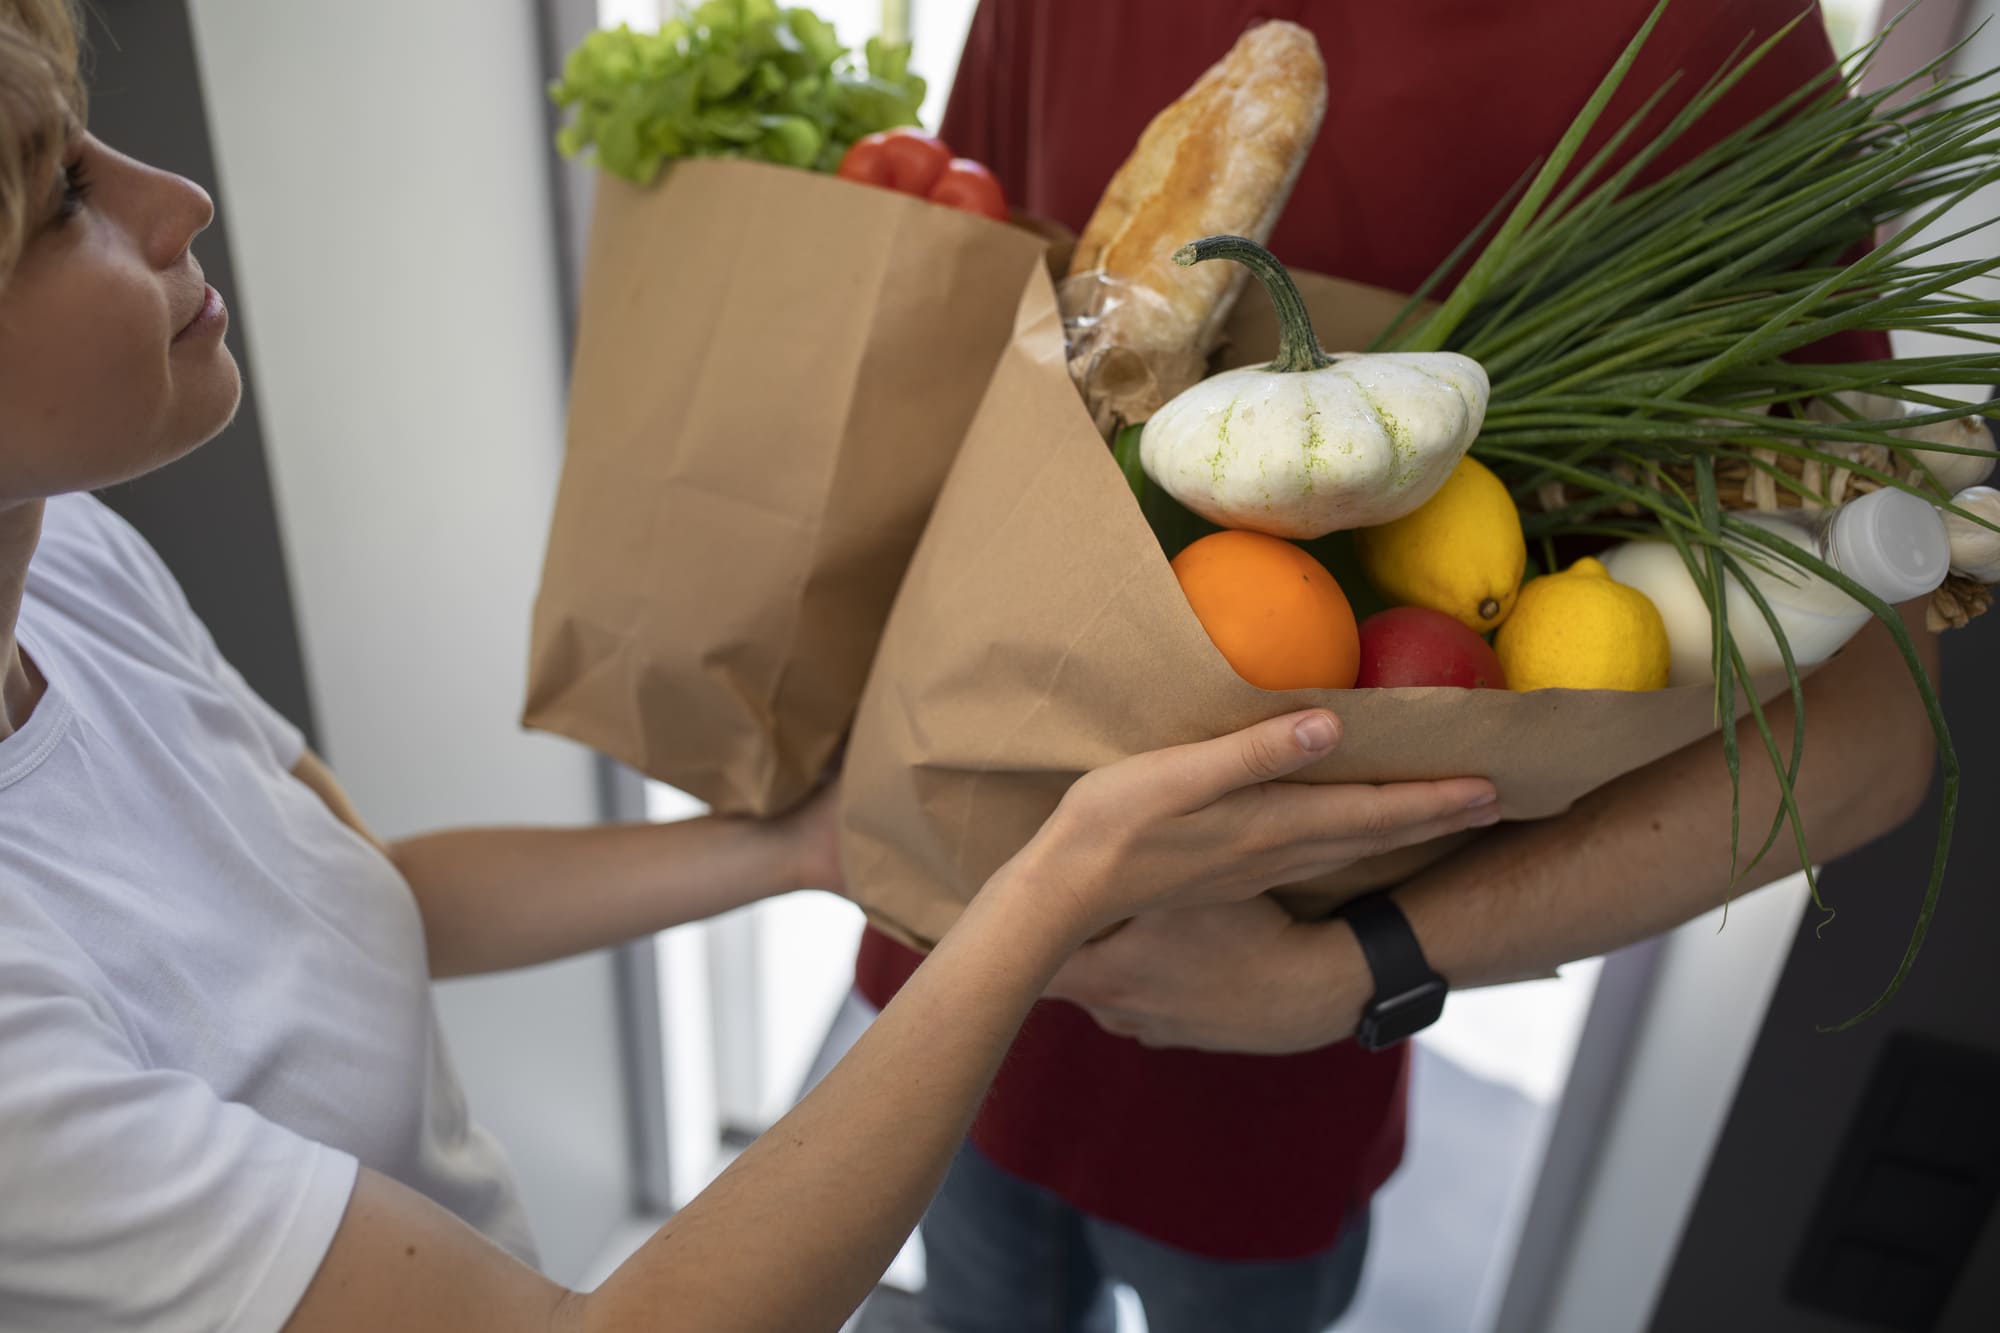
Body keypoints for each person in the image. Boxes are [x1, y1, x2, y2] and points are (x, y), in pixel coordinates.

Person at [0, 2, 1515, 1329]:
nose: (178, 196)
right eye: (60, 199)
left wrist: (797, 843)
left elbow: (356, 892)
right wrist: (1052, 882)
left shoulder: (63, 562)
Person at [848, 4, 1944, 1331]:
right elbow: (957, 352)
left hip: (1262, 1073)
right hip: (944, 977)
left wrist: (1349, 972)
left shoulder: (1702, 39)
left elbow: (1869, 728)